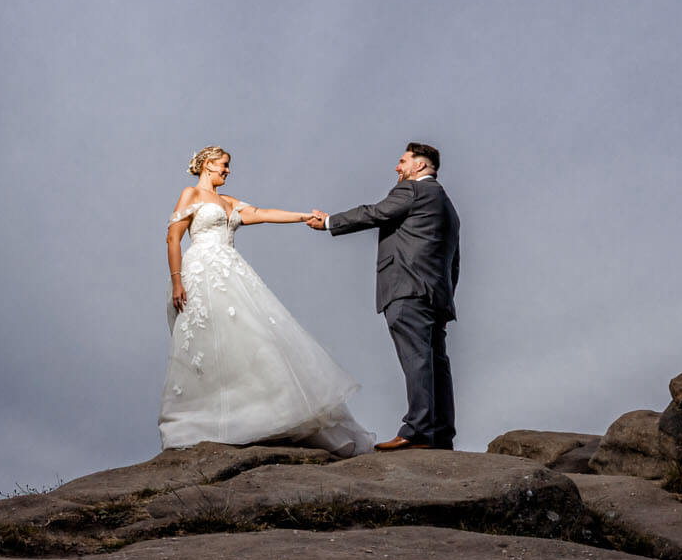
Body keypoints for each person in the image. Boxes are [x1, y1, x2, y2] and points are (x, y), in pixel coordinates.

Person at [158, 147, 375, 454]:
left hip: (231, 271)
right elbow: (173, 237)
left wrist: (303, 216)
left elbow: (262, 214)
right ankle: (209, 419)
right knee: (208, 343)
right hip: (201, 272)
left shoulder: (229, 202)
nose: (228, 171)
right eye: (224, 165)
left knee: (251, 339)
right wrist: (177, 280)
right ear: (207, 165)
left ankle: (257, 416)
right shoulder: (190, 195)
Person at [306, 142, 459, 451]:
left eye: (403, 161)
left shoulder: (412, 191)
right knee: (435, 363)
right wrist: (445, 303)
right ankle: (440, 433)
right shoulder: (448, 206)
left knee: (416, 360)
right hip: (436, 296)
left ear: (418, 166)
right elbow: (453, 261)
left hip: (406, 289)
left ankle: (416, 431)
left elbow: (374, 213)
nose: (397, 167)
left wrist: (328, 222)